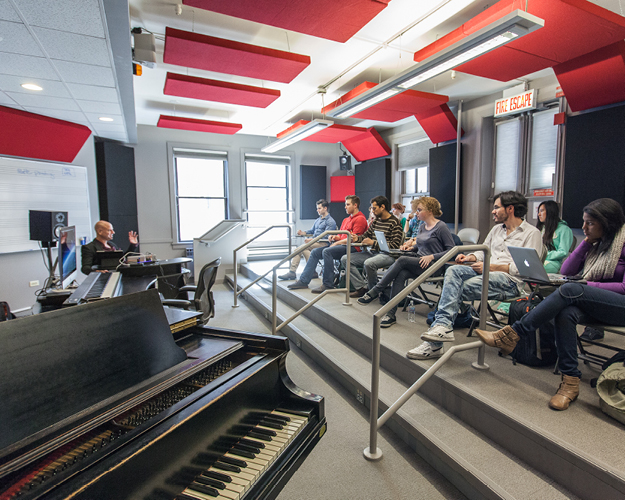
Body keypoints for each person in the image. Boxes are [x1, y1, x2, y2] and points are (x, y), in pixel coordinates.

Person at [476, 198, 625, 411]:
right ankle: (570, 382)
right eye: (584, 222)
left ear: (608, 223)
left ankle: (513, 333)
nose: (583, 228)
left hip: (621, 305)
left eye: (590, 223)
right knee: (566, 312)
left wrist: (587, 285)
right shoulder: (598, 244)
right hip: (600, 303)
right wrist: (585, 243)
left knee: (571, 289)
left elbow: (623, 288)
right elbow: (566, 271)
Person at [406, 191, 542, 360]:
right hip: (486, 271)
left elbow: (527, 270)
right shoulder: (496, 230)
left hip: (511, 281)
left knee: (455, 288)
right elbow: (482, 250)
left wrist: (491, 266)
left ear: (510, 209)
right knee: (453, 270)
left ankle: (436, 340)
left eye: (496, 207)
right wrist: (470, 257)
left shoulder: (531, 233)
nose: (493, 211)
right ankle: (442, 327)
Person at [357, 197, 455, 328]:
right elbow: (421, 246)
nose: (416, 213)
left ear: (430, 211)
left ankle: (375, 290)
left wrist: (432, 256)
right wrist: (411, 247)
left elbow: (452, 250)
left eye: (419, 210)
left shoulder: (441, 227)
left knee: (402, 260)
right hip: (418, 262)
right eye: (416, 210)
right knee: (401, 274)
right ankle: (391, 315)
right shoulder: (422, 227)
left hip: (433, 266)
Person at [288, 196, 368, 292]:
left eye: (348, 204)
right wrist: (334, 237)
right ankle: (303, 281)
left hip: (353, 248)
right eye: (345, 204)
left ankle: (327, 284)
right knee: (315, 252)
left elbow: (353, 239)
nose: (345, 207)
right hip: (342, 245)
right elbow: (341, 235)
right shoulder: (346, 220)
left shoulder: (360, 219)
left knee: (327, 251)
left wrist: (337, 242)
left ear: (355, 205)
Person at [341, 196, 404, 298]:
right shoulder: (376, 221)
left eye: (374, 208)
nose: (372, 211)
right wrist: (357, 238)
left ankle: (372, 292)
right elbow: (366, 236)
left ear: (382, 207)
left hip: (388, 255)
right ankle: (362, 288)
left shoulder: (394, 222)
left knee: (369, 263)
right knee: (345, 259)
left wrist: (373, 243)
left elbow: (395, 245)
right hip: (373, 253)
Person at [279, 199, 336, 280]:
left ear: (325, 208)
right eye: (317, 208)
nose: (317, 210)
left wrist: (311, 240)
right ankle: (309, 272)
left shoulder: (331, 222)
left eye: (319, 208)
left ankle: (294, 272)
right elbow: (312, 231)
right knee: (301, 250)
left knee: (301, 249)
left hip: (323, 243)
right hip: (315, 242)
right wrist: (303, 233)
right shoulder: (318, 220)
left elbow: (326, 237)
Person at [537, 200, 574, 273]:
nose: (538, 214)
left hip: (553, 262)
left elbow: (562, 252)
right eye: (538, 211)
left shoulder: (564, 229)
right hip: (538, 259)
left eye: (541, 211)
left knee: (534, 269)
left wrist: (543, 255)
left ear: (550, 212)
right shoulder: (542, 228)